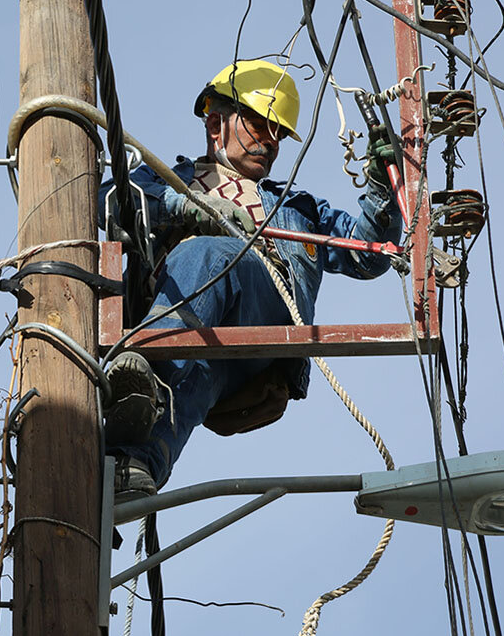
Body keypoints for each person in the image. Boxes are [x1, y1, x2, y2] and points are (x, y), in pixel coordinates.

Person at [100, 60, 402, 499]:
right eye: (261, 125)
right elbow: (107, 201)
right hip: (199, 332)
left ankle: (145, 362)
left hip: (265, 319)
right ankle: (130, 471)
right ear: (216, 123)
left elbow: (367, 254)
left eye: (279, 132)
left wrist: (382, 185)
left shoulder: (297, 207)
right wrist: (186, 207)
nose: (272, 141)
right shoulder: (165, 181)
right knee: (194, 373)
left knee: (206, 254)